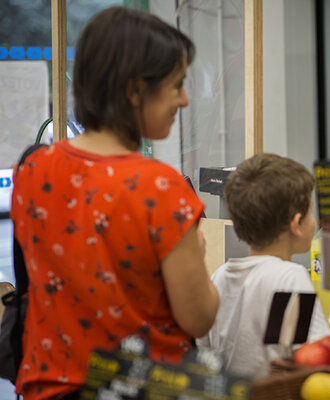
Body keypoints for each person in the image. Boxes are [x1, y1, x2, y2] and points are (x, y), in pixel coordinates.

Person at [10, 7, 219, 399]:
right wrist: (199, 254)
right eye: (176, 85)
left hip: (48, 388)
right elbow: (199, 317)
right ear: (135, 90)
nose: (185, 100)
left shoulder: (32, 170)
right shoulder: (162, 188)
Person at [198, 153, 330, 379]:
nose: (315, 222)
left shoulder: (220, 276)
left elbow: (209, 352)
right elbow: (312, 360)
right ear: (296, 224)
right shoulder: (289, 278)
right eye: (311, 213)